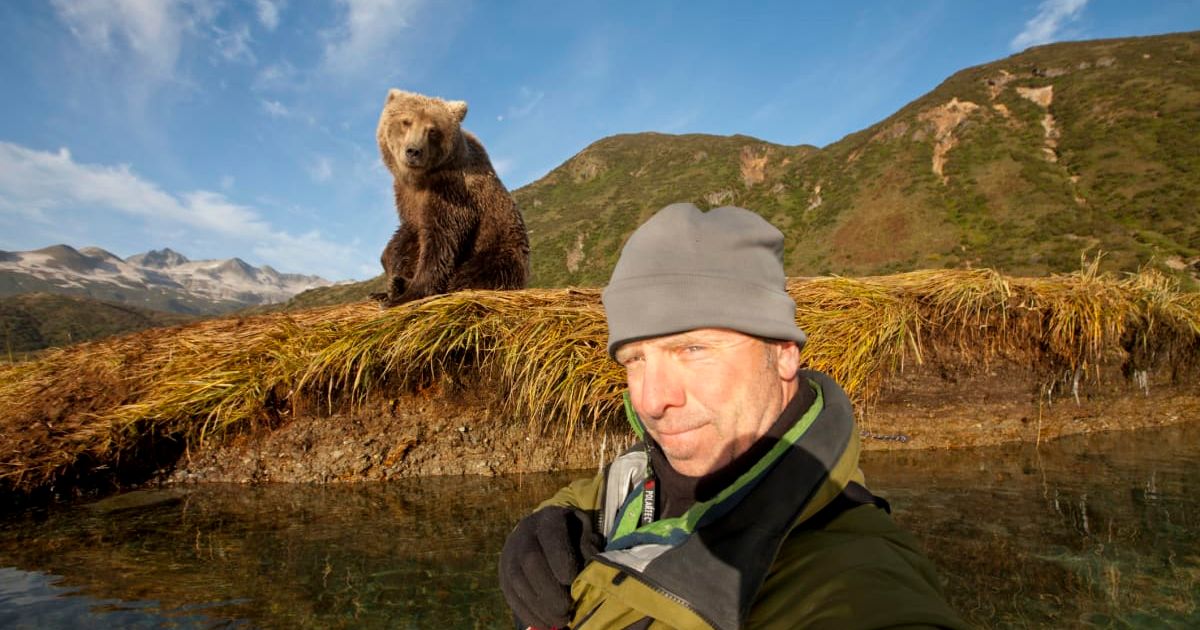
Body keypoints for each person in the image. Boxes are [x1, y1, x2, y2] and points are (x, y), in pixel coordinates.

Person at [498, 203, 968, 629]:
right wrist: (552, 520)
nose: (652, 400)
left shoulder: (854, 580)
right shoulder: (645, 473)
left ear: (783, 354)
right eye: (635, 360)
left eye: (692, 348)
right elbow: (605, 490)